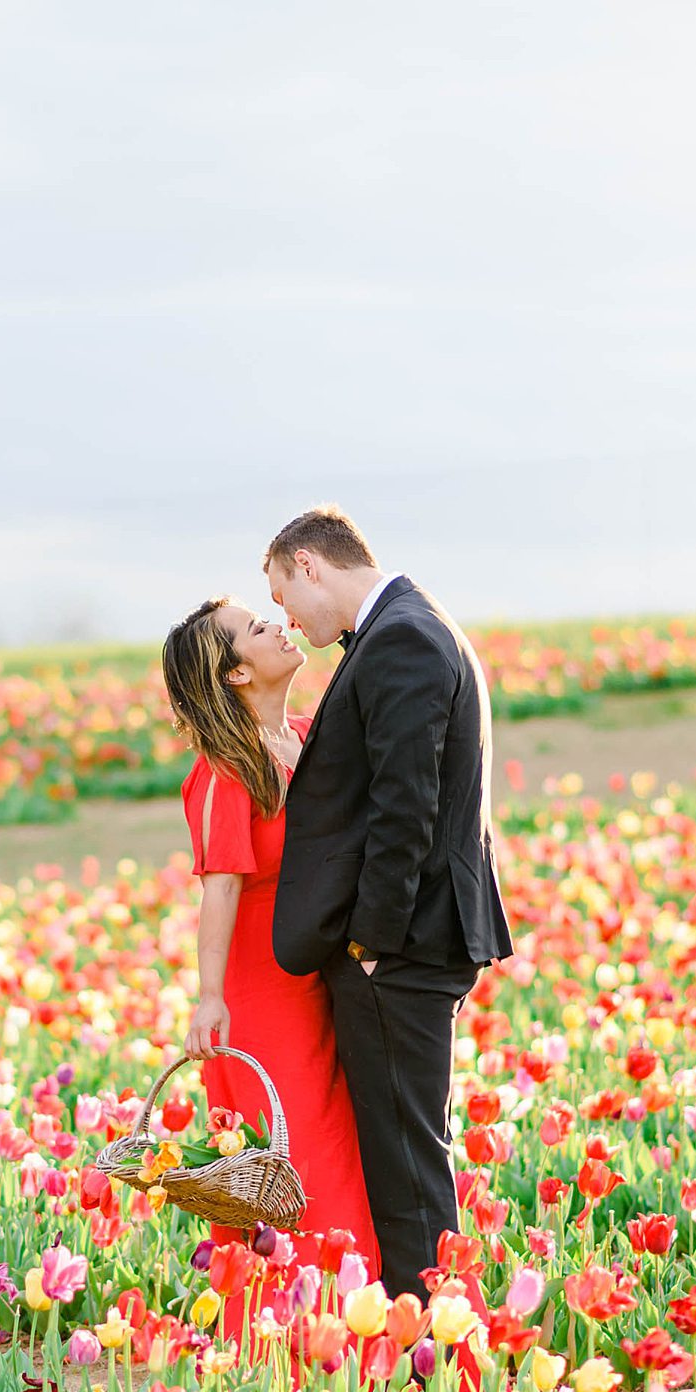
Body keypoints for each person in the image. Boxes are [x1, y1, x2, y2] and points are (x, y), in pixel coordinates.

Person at [262, 506, 515, 1298]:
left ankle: (434, 1342)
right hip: (415, 942)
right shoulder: (412, 623)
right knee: (411, 1152)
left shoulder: (401, 637)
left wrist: (370, 940)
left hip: (400, 950)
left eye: (282, 594)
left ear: (310, 565)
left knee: (406, 1166)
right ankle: (438, 1329)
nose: (288, 619)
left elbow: (406, 806)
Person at [160, 595, 382, 1331]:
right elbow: (219, 890)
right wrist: (209, 997)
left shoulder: (304, 736)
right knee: (299, 1159)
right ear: (234, 673)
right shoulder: (226, 769)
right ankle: (299, 1340)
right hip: (257, 1000)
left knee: (330, 1148)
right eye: (257, 629)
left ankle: (347, 1321)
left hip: (313, 981)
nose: (278, 627)